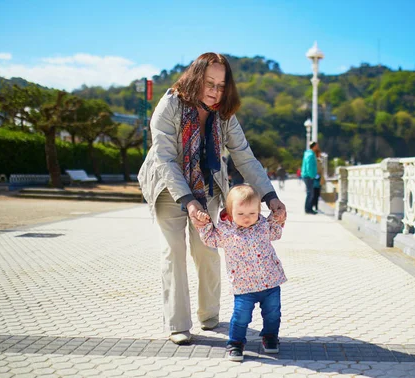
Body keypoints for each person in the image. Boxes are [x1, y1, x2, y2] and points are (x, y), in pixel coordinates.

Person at [137, 53, 287, 345]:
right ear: (195, 78)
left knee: (207, 250)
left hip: (207, 186)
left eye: (221, 85)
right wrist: (189, 202)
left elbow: (244, 157)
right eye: (209, 83)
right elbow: (165, 159)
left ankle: (209, 315)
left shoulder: (224, 113)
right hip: (169, 187)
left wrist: (271, 197)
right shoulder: (170, 105)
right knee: (174, 252)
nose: (215, 91)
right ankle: (178, 324)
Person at [195, 184, 286, 361]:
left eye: (252, 213)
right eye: (241, 214)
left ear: (259, 210)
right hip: (244, 287)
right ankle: (235, 343)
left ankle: (270, 337)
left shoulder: (263, 225)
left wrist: (278, 218)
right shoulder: (225, 232)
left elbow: (276, 233)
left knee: (273, 314)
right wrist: (205, 224)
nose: (247, 218)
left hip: (271, 282)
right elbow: (209, 239)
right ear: (230, 212)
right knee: (241, 317)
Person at [301, 142, 319, 214]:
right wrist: (312, 175)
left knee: (310, 192)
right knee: (310, 193)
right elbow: (309, 166)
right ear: (314, 146)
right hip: (308, 176)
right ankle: (308, 209)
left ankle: (309, 208)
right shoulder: (311, 154)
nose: (317, 147)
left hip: (307, 175)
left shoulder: (308, 153)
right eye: (317, 146)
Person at [312, 146, 325, 212]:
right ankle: (315, 207)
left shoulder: (318, 161)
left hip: (318, 179)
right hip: (316, 179)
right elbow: (317, 170)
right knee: (315, 194)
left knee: (316, 194)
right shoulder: (315, 161)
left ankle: (316, 206)